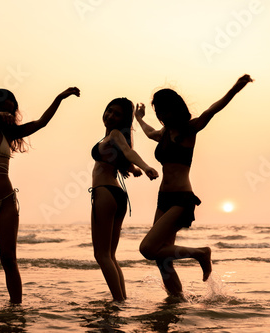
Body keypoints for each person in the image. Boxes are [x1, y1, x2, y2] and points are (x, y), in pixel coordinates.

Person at [0, 87, 80, 305]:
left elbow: (42, 122)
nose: (9, 115)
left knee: (8, 259)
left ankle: (16, 309)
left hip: (6, 201)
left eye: (12, 111)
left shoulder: (10, 133)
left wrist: (60, 97)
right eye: (5, 110)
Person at [136, 74, 253, 298]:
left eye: (164, 109)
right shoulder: (164, 133)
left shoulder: (189, 129)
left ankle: (200, 253)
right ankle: (176, 300)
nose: (161, 115)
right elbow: (150, 133)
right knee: (162, 258)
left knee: (148, 249)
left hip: (181, 199)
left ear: (176, 108)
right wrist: (139, 118)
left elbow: (212, 110)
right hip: (163, 199)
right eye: (158, 111)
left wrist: (235, 89)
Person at [90, 97, 159, 302]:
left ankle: (117, 303)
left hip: (104, 192)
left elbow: (129, 152)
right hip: (117, 195)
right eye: (109, 110)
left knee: (102, 256)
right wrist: (134, 168)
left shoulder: (114, 134)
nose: (110, 115)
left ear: (123, 120)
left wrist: (146, 167)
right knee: (110, 256)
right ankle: (122, 301)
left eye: (116, 113)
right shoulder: (114, 138)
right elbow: (125, 157)